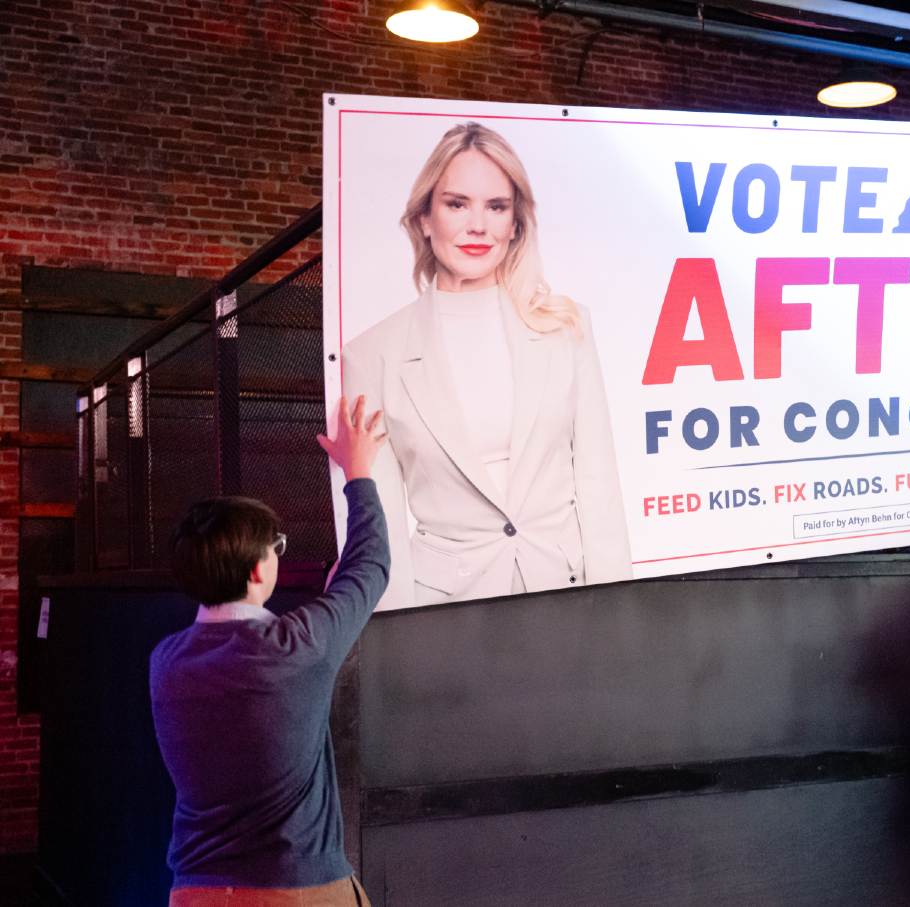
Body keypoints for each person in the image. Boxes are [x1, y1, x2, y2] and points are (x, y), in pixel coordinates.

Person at [342, 120, 631, 610]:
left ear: (515, 223)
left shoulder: (565, 328)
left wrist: (616, 611)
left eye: (496, 206)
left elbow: (599, 485)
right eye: (457, 204)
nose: (478, 225)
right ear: (424, 219)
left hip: (562, 594)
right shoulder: (371, 354)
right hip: (444, 612)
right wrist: (398, 643)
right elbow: (381, 523)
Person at [150, 396, 390, 906]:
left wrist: (327, 611)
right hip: (296, 893)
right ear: (259, 570)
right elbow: (371, 566)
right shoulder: (297, 647)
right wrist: (359, 471)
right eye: (274, 547)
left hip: (196, 893)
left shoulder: (165, 662)